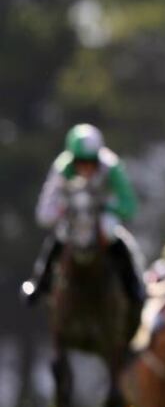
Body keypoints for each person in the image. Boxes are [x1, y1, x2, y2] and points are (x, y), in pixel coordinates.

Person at [21, 124, 145, 305]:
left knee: (110, 231)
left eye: (91, 161)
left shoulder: (111, 166)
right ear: (72, 158)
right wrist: (61, 209)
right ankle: (41, 281)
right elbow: (44, 212)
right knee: (61, 234)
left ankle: (132, 285)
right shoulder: (62, 168)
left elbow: (129, 205)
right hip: (73, 214)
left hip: (102, 213)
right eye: (80, 161)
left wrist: (108, 206)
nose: (86, 167)